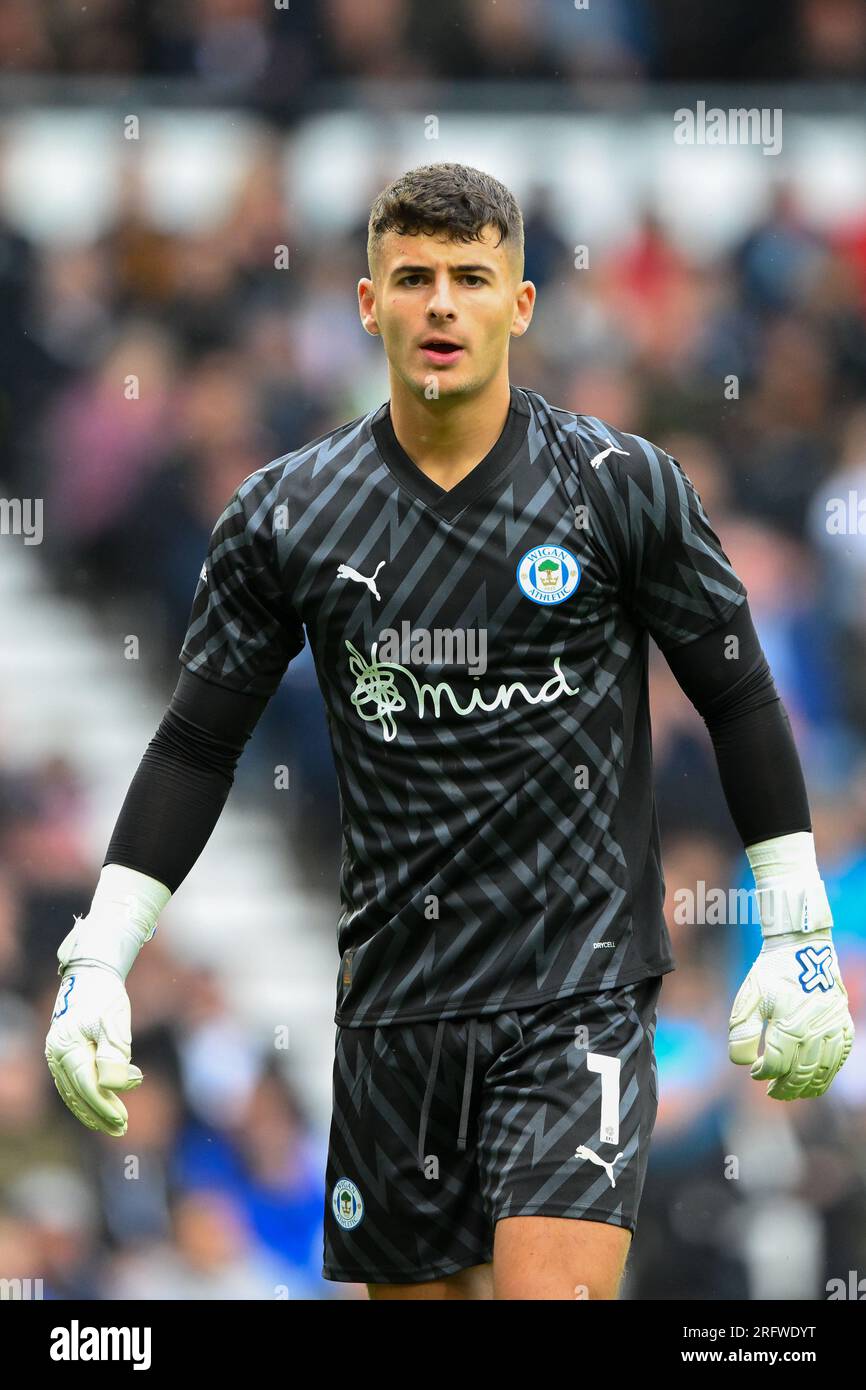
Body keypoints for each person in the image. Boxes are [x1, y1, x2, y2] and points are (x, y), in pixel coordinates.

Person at [45, 162, 854, 1301]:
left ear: (518, 304)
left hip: (575, 993)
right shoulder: (287, 513)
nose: (439, 304)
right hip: (393, 1012)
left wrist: (795, 929)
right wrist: (100, 954)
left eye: (471, 277)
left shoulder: (620, 487)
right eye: (412, 277)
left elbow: (738, 697)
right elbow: (194, 742)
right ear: (366, 303)